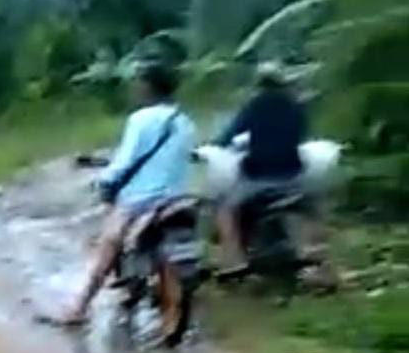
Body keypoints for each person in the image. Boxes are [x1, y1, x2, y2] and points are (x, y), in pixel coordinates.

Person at [58, 62, 195, 327]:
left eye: (138, 82)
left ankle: (79, 308)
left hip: (141, 200)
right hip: (178, 197)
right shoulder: (185, 122)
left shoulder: (141, 119)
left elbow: (124, 161)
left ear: (147, 87)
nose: (134, 87)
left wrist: (105, 181)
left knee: (108, 244)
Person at [213, 62, 308, 272]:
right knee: (313, 208)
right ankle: (314, 253)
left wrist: (216, 144)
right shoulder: (296, 106)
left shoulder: (254, 105)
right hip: (293, 176)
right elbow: (300, 136)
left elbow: (229, 135)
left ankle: (235, 260)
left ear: (258, 84)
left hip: (260, 177)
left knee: (224, 208)